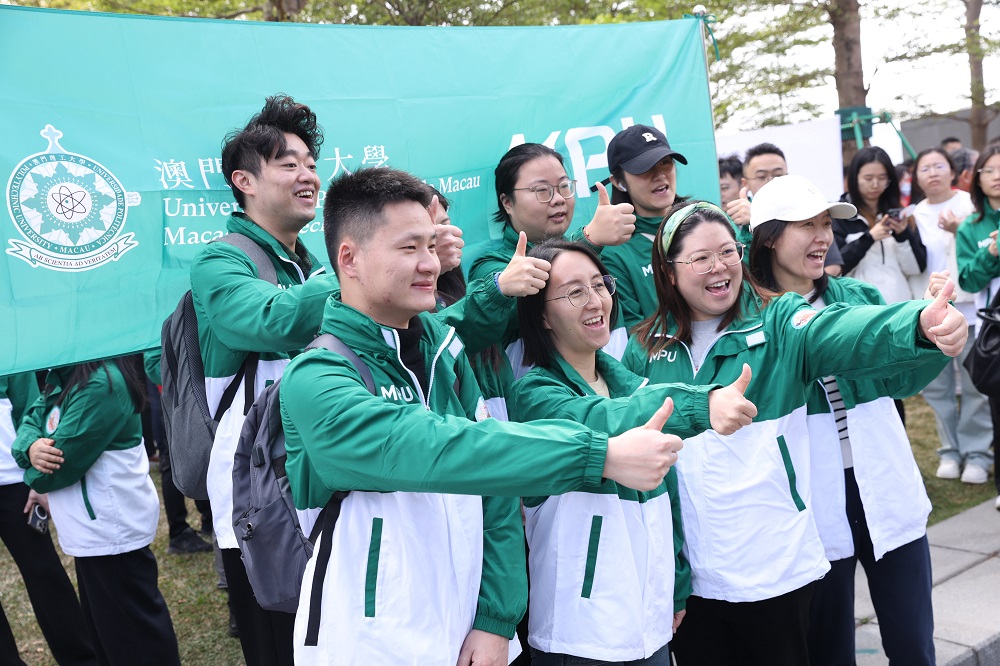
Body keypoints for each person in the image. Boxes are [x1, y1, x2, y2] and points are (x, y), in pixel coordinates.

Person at [280, 166, 685, 665]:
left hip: (472, 637)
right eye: (409, 248)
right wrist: (598, 455)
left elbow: (496, 493)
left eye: (432, 245)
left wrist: (495, 618)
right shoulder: (317, 375)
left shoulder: (444, 352)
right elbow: (437, 447)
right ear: (350, 258)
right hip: (372, 644)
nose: (430, 263)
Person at [620, 199, 967, 666]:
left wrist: (917, 324)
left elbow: (842, 331)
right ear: (669, 271)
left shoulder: (780, 319)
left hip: (776, 575)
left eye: (727, 252)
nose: (719, 267)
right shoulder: (644, 347)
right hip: (693, 582)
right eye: (701, 258)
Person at [509, 238, 756, 665]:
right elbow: (603, 418)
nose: (595, 301)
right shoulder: (536, 395)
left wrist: (676, 586)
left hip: (652, 624)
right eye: (574, 292)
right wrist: (701, 404)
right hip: (579, 636)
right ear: (542, 316)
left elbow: (668, 495)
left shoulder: (630, 383)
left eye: (599, 285)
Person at [748, 174, 942, 666]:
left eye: (825, 224)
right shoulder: (749, 317)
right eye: (806, 225)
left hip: (884, 484)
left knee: (914, 644)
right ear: (768, 237)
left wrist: (935, 338)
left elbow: (902, 380)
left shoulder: (857, 297)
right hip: (810, 499)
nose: (822, 237)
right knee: (828, 650)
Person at [12, 358, 180, 666]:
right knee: (111, 643)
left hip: (110, 533)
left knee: (135, 644)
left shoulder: (100, 384)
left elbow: (56, 469)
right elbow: (28, 422)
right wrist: (31, 448)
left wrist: (31, 466)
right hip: (91, 534)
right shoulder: (62, 376)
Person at [468, 142, 637, 365]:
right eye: (542, 190)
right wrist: (589, 241)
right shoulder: (492, 267)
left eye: (564, 186)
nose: (558, 199)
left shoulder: (594, 254)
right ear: (507, 202)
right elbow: (526, 303)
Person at [908, 147, 993, 484]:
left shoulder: (971, 206)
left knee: (974, 386)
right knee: (937, 387)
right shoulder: (913, 214)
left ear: (952, 171)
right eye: (925, 168)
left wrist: (960, 229)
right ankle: (950, 451)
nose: (932, 173)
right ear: (916, 177)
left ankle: (977, 453)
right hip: (928, 313)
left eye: (939, 166)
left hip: (969, 310)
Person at [0, 373, 97, 666]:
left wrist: (36, 480)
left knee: (44, 573)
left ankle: (82, 660)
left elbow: (30, 410)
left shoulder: (8, 349)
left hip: (12, 481)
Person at [599, 125, 689, 337]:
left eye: (665, 162)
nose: (660, 175)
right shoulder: (614, 254)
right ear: (618, 182)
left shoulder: (707, 222)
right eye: (644, 168)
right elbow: (637, 336)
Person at [956, 143, 1000, 504]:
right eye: (990, 170)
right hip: (995, 330)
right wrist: (991, 252)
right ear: (978, 179)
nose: (998, 176)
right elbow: (968, 280)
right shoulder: (970, 227)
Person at [725, 142, 843, 276]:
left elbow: (832, 267)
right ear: (745, 183)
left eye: (779, 175)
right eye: (761, 177)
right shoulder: (730, 223)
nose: (771, 181)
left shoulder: (808, 209)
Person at [834, 146, 926, 304]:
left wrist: (903, 235)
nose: (875, 184)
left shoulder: (900, 215)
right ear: (854, 178)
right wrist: (869, 238)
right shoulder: (841, 215)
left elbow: (917, 268)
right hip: (858, 308)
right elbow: (835, 268)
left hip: (899, 306)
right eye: (868, 178)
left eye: (882, 178)